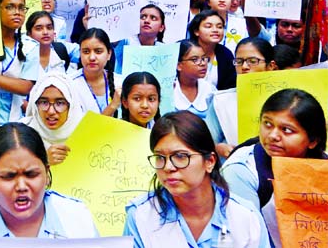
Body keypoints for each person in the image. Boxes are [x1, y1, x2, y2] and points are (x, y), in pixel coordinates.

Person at [124, 111, 268, 248]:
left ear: (209, 161)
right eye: (160, 157)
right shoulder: (141, 216)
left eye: (180, 156)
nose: (168, 167)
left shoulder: (245, 217)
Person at [0, 122, 99, 238]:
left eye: (31, 174)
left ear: (46, 172)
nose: (21, 186)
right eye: (9, 176)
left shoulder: (76, 217)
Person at [222, 89, 327, 247]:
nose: (272, 136)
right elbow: (248, 239)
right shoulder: (240, 170)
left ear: (312, 141)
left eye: (286, 130)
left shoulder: (322, 167)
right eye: (268, 124)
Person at [206, 37, 276, 158]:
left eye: (252, 61)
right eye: (239, 61)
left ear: (271, 66)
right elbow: (205, 141)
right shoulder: (221, 101)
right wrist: (218, 148)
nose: (244, 66)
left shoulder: (285, 98)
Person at [21, 72, 84, 165]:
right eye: (43, 102)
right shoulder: (21, 135)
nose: (51, 111)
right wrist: (42, 162)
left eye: (60, 103)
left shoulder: (86, 133)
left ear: (71, 106)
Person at [69, 28, 121, 116]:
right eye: (86, 52)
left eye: (98, 51)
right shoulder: (69, 83)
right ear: (79, 53)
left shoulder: (120, 82)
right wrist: (113, 106)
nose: (92, 57)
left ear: (109, 54)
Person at [188, 10, 236, 90]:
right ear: (196, 31)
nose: (215, 30)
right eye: (208, 26)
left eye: (219, 27)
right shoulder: (182, 49)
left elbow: (230, 87)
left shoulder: (225, 54)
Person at [113, 4, 166, 75]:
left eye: (153, 18)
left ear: (161, 27)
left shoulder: (164, 50)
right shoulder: (125, 41)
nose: (146, 21)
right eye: (143, 17)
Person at [26, 11, 80, 75]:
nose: (45, 32)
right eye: (39, 29)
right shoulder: (23, 56)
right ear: (29, 34)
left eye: (49, 28)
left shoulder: (60, 50)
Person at [173, 40, 216, 119]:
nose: (203, 63)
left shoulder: (210, 89)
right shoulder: (169, 90)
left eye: (204, 58)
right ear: (178, 65)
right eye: (194, 59)